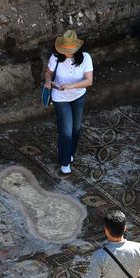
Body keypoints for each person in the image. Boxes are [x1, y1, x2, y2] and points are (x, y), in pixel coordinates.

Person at [44, 30, 94, 176]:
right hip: (60, 97)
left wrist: (71, 86)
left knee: (76, 128)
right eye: (64, 49)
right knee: (66, 129)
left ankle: (69, 151)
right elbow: (48, 72)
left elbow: (89, 81)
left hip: (78, 96)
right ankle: (65, 162)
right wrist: (48, 81)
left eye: (70, 50)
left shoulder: (85, 58)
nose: (67, 52)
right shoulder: (55, 57)